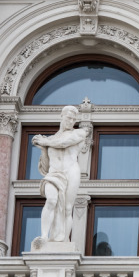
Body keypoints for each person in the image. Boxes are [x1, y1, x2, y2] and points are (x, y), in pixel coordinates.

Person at [32, 105, 87, 246]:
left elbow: (64, 143)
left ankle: (63, 241)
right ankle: (44, 236)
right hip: (54, 173)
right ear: (61, 116)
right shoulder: (51, 140)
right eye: (69, 118)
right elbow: (45, 167)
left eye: (74, 119)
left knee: (68, 209)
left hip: (71, 171)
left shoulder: (79, 133)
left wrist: (44, 142)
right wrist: (43, 149)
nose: (71, 121)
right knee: (51, 200)